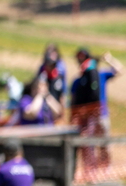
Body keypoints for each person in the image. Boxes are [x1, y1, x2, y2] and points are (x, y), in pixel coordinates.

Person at [69, 47, 121, 177]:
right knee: (88, 144)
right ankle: (91, 171)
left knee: (104, 143)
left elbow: (119, 70)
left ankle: (105, 169)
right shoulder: (78, 81)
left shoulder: (100, 74)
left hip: (101, 115)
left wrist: (109, 60)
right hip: (86, 118)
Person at [35, 43, 68, 109]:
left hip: (56, 95)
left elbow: (63, 85)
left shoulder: (61, 67)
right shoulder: (43, 67)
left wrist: (64, 97)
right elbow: (37, 80)